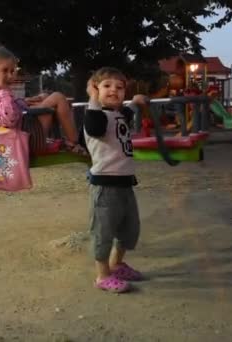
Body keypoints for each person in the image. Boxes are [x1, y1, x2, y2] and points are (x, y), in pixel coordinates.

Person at [84, 67, 148, 293]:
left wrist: (136, 102)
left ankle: (117, 264)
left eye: (119, 87)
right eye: (107, 86)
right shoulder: (95, 116)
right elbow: (95, 128)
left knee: (129, 229)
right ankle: (102, 276)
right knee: (104, 232)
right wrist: (92, 98)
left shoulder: (118, 115)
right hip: (105, 186)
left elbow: (127, 113)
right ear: (95, 89)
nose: (114, 90)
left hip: (125, 183)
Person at [0, 45, 87, 156]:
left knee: (45, 97)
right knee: (58, 97)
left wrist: (26, 101)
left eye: (12, 71)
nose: (10, 75)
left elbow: (2, 111)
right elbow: (10, 119)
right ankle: (74, 143)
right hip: (20, 143)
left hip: (12, 139)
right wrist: (5, 92)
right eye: (5, 70)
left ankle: (67, 139)